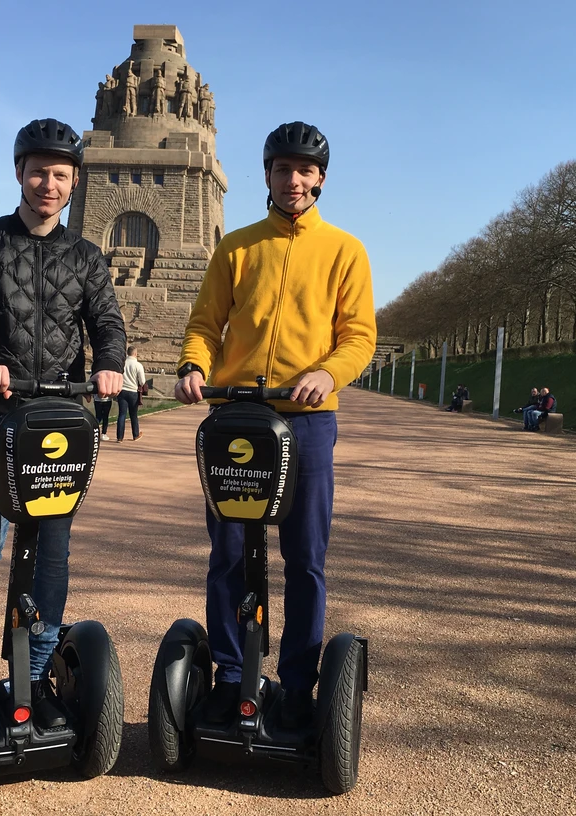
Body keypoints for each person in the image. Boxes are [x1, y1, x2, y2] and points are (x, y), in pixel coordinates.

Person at [175, 121, 376, 729]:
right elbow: (205, 323)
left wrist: (328, 373)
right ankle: (232, 674)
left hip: (307, 419)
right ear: (267, 174)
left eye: (304, 170)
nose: (293, 180)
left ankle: (295, 684)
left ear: (321, 179)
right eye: (282, 169)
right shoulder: (237, 247)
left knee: (305, 558)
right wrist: (193, 365)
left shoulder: (345, 250)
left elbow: (359, 337)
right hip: (237, 416)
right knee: (229, 554)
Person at [0, 117, 127, 736]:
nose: (49, 184)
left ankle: (38, 676)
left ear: (74, 183)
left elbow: (107, 324)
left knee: (53, 552)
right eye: (39, 171)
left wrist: (107, 365)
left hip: (60, 424)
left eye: (61, 175)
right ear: (19, 173)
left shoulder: (86, 257)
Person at [116, 345, 147, 442]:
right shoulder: (138, 365)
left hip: (122, 391)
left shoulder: (122, 363)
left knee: (122, 414)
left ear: (127, 353)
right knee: (133, 415)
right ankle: (135, 435)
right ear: (135, 354)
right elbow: (142, 381)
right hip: (133, 391)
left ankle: (120, 437)